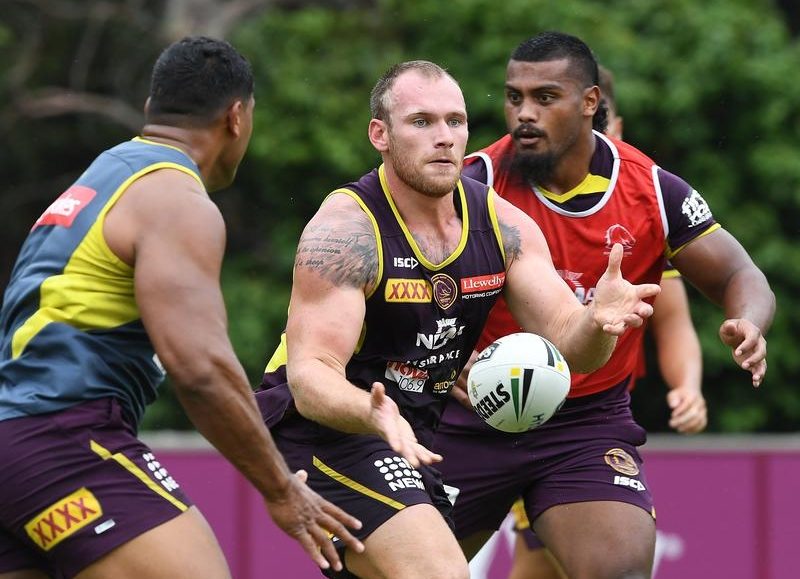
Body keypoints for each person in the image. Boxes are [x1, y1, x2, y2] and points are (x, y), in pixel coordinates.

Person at [255, 59, 661, 579]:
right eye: (421, 122)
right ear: (380, 135)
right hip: (326, 431)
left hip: (412, 432)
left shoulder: (503, 225)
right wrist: (371, 412)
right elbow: (310, 375)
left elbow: (571, 344)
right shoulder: (344, 232)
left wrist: (599, 323)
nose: (444, 137)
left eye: (455, 121)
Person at [0, 36, 364, 579]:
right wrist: (280, 488)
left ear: (152, 108)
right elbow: (200, 370)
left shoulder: (108, 174)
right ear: (237, 117)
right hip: (62, 439)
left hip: (14, 446)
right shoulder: (176, 199)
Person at [432, 31, 774, 579]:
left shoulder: (654, 192)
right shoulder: (474, 185)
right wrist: (440, 363)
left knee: (620, 572)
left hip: (584, 423)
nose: (524, 113)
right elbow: (401, 293)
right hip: (469, 417)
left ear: (590, 102)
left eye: (545, 97)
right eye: (514, 97)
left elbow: (739, 273)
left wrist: (749, 322)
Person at [498, 63, 707, 579]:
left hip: (592, 417)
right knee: (543, 560)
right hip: (513, 400)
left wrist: (688, 386)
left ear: (608, 121)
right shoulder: (509, 195)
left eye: (605, 127)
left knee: (559, 561)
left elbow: (672, 319)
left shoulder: (640, 208)